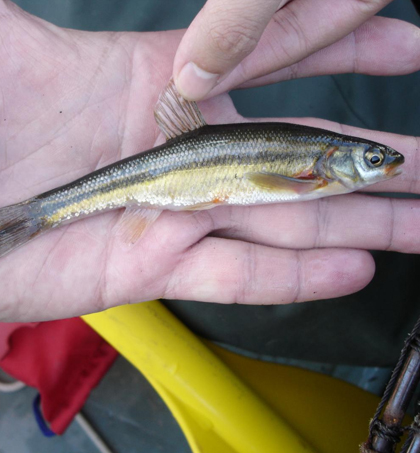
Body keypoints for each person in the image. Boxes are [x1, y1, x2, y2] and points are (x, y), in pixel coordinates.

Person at [0, 0, 419, 325]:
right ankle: (38, 214)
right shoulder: (310, 177)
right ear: (331, 159)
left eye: (375, 159)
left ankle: (35, 215)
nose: (382, 164)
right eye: (373, 158)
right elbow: (265, 180)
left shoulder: (317, 172)